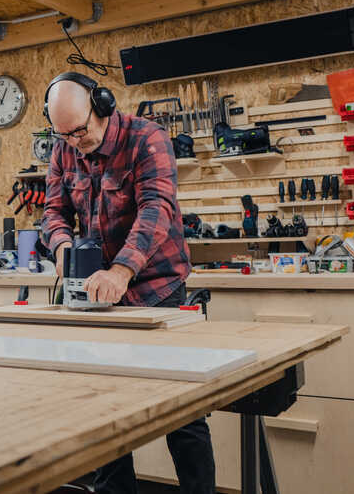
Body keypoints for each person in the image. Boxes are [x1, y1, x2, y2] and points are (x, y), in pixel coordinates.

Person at [40, 72, 215, 494]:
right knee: (102, 404)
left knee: (181, 407)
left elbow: (157, 208)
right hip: (96, 292)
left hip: (157, 288)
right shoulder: (66, 147)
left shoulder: (146, 138)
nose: (74, 142)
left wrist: (121, 271)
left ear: (103, 106)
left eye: (80, 131)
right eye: (63, 135)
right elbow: (53, 210)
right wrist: (62, 248)